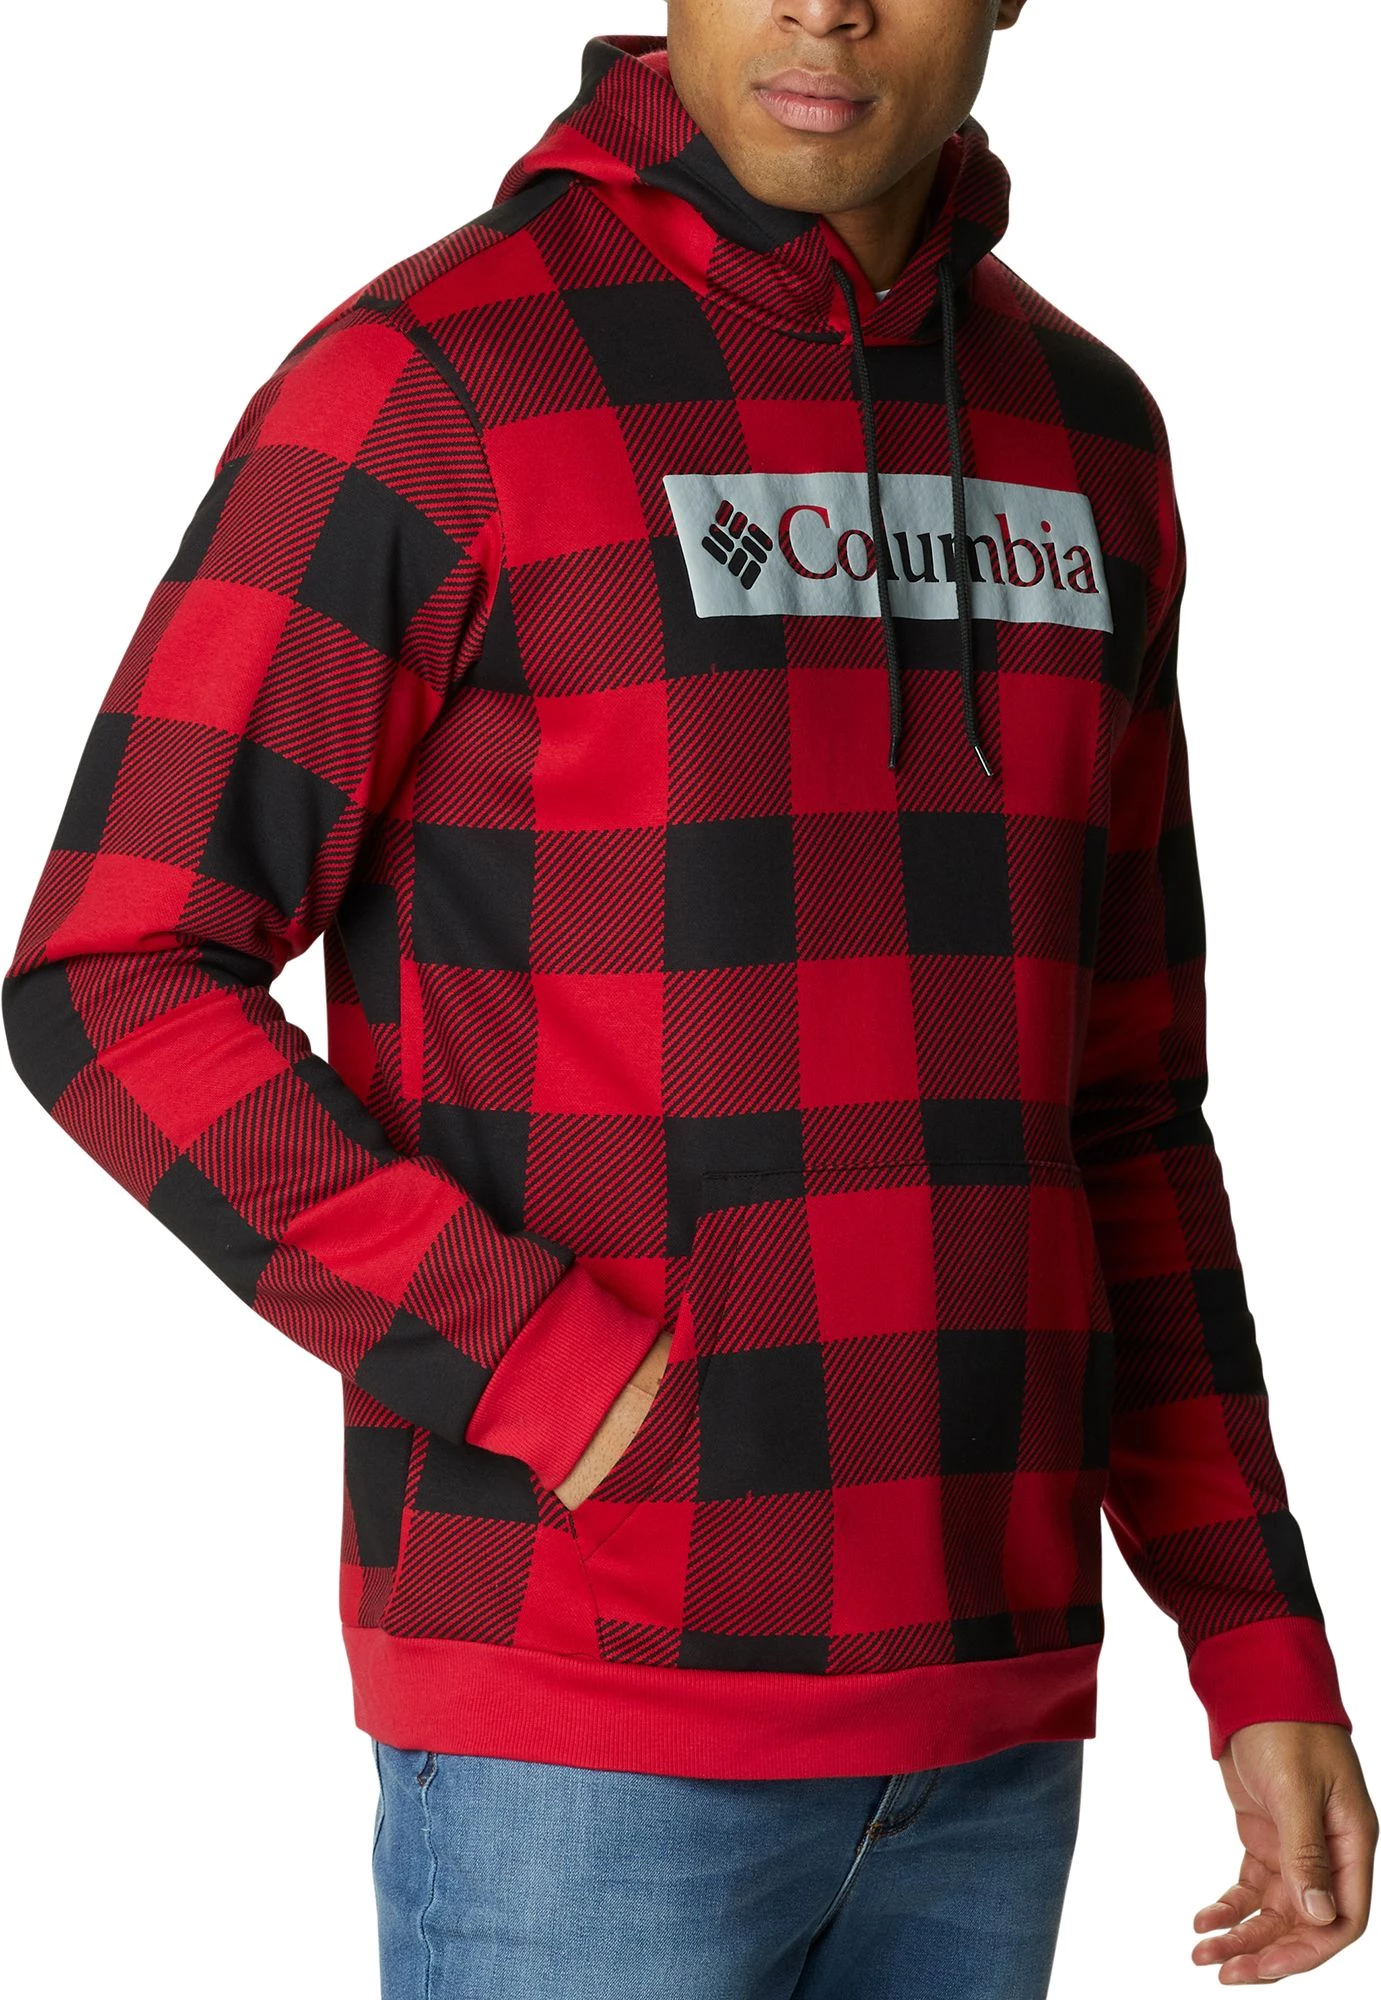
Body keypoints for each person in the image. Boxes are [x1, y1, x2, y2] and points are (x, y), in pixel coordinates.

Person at [4, 2, 1374, 1994]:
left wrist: (1254, 1632)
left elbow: (1127, 1101)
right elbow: (113, 974)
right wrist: (542, 1371)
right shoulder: (438, 384)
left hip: (994, 1713)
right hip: (584, 1709)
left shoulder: (1089, 432)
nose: (827, 4)